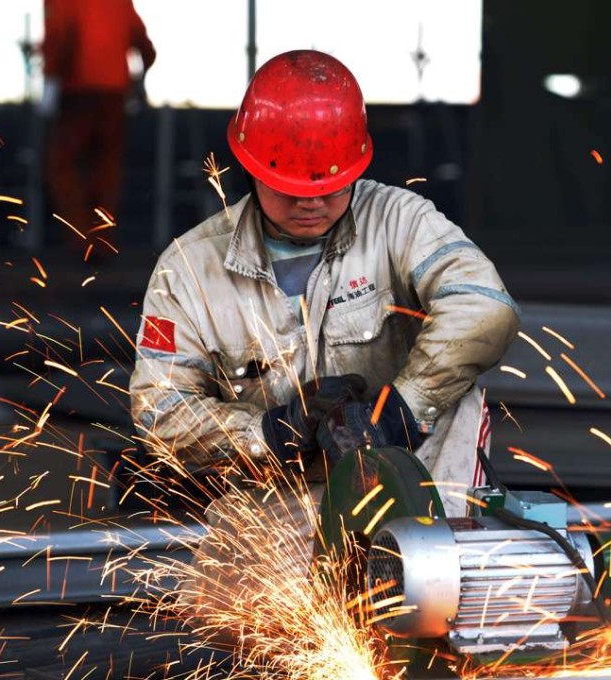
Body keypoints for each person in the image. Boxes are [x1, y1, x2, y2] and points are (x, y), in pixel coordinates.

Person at [129, 50, 519, 613]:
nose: (311, 202)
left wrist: (402, 412)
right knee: (236, 616)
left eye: (331, 188)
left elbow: (486, 309)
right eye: (289, 188)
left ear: (356, 168)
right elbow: (158, 410)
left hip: (415, 484)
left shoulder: (402, 221)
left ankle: (448, 580)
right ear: (253, 169)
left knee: (453, 402)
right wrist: (269, 433)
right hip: (282, 497)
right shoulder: (189, 268)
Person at [40, 0, 156, 258]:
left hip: (77, 95)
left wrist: (50, 85)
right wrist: (138, 83)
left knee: (61, 165)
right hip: (114, 97)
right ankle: (102, 240)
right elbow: (146, 48)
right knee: (106, 171)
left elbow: (58, 39)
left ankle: (81, 241)